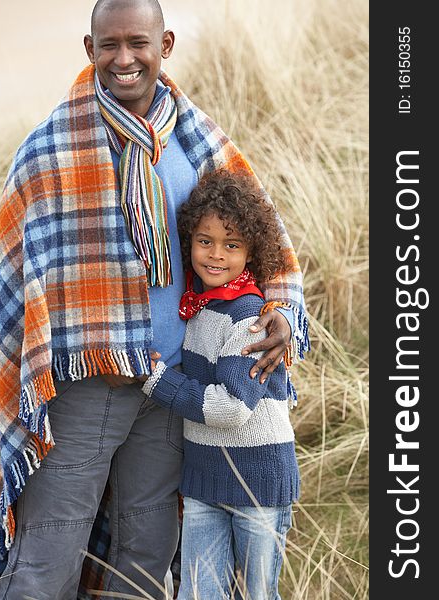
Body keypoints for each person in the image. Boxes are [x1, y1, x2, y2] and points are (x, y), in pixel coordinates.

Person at [0, 1, 309, 599]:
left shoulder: (196, 137)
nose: (124, 59)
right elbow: (12, 278)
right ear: (89, 48)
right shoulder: (49, 151)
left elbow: (265, 237)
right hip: (85, 391)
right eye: (109, 45)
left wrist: (279, 310)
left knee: (148, 554)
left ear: (165, 44)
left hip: (174, 384)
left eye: (138, 43)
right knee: (48, 555)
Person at [142, 170, 302, 600]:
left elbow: (231, 408)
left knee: (255, 594)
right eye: (205, 241)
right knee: (198, 593)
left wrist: (156, 381)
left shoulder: (251, 317)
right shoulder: (197, 309)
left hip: (258, 482)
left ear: (251, 252)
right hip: (203, 481)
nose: (215, 255)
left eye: (231, 245)